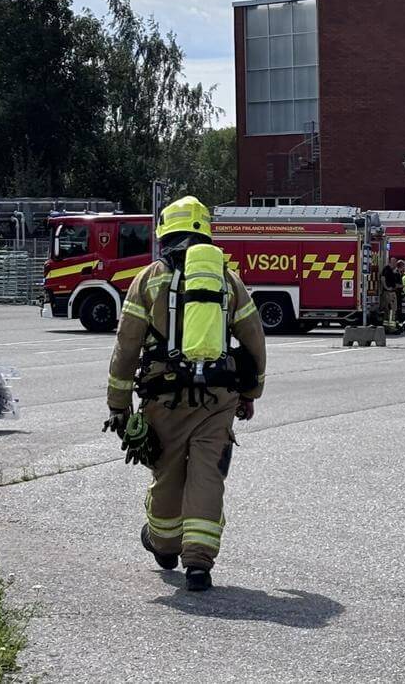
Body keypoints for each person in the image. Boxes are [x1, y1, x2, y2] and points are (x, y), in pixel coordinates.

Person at [105, 196, 267, 593]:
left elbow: (126, 347)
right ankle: (198, 563)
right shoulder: (227, 280)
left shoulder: (149, 279)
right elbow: (254, 340)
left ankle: (163, 545)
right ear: (204, 233)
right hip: (218, 399)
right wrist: (251, 391)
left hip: (165, 399)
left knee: (168, 473)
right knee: (207, 475)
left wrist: (119, 407)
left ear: (166, 232)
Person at [380, 256, 401, 332]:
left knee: (388, 310)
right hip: (389, 293)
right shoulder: (387, 269)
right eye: (394, 262)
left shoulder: (392, 271)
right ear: (390, 262)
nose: (395, 264)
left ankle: (386, 327)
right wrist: (387, 287)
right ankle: (391, 328)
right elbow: (383, 279)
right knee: (392, 310)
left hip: (391, 291)